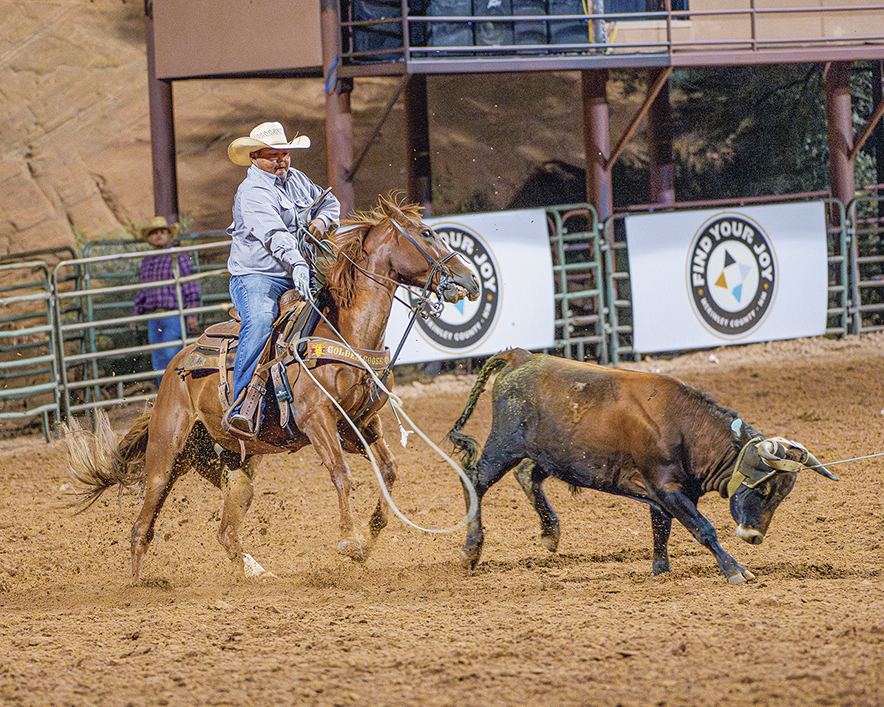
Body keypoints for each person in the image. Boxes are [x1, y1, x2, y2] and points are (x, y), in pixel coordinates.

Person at [223, 121, 341, 437]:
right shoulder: (251, 193)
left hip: (298, 271)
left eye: (284, 153)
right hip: (257, 277)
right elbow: (274, 235)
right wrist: (299, 264)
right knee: (261, 321)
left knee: (337, 311)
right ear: (254, 158)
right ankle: (243, 405)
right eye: (272, 155)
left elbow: (330, 203)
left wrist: (320, 221)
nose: (281, 161)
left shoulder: (297, 181)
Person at [131, 216, 201, 386]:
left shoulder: (178, 257)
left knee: (172, 355)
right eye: (154, 233)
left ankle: (178, 392)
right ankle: (164, 394)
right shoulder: (147, 261)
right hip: (154, 316)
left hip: (173, 314)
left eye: (163, 232)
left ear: (170, 236)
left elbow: (190, 286)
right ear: (149, 238)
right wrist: (136, 312)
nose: (159, 235)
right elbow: (144, 289)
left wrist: (191, 314)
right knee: (158, 358)